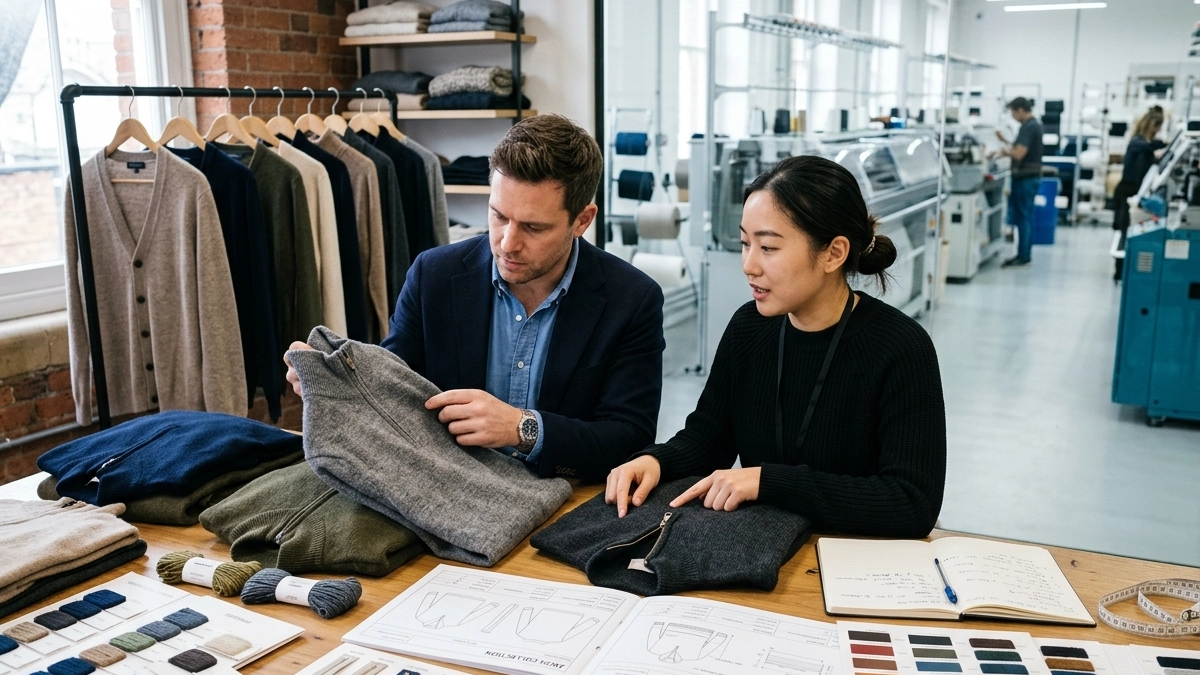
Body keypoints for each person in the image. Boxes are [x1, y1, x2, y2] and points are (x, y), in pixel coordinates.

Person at [285, 114, 666, 484]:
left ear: (582, 220)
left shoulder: (632, 300)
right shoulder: (433, 275)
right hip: (445, 492)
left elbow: (629, 439)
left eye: (533, 227)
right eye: (498, 216)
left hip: (564, 503)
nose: (507, 243)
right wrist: (336, 387)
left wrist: (522, 428)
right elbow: (395, 389)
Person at [605, 155, 946, 538]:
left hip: (850, 562)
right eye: (745, 243)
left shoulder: (900, 348)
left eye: (768, 248)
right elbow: (709, 439)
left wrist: (769, 483)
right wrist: (656, 460)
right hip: (762, 548)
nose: (749, 265)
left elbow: (912, 502)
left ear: (834, 253)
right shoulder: (748, 328)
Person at [1111, 109, 1166, 281]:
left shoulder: (1146, 143)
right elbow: (1149, 149)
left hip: (1134, 191)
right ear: (1151, 125)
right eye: (1157, 126)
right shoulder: (1137, 142)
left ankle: (1125, 268)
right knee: (1125, 230)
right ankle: (1119, 271)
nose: (1158, 130)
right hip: (1127, 191)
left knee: (1130, 230)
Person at [995, 97, 1044, 268]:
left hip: (1025, 179)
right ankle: (1024, 253)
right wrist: (1004, 142)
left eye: (1013, 112)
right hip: (1029, 178)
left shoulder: (1028, 127)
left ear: (1021, 110)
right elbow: (1020, 148)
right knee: (1025, 217)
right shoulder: (1033, 126)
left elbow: (1018, 154)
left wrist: (1005, 152)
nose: (1013, 116)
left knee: (1023, 218)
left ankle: (1023, 255)